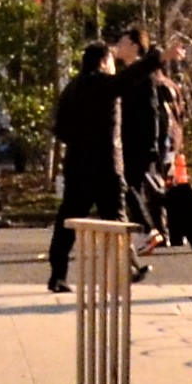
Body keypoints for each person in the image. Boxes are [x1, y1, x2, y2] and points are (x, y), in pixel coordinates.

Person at [48, 39, 129, 294]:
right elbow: (131, 77)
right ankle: (121, 272)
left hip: (77, 163)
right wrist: (156, 58)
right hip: (105, 165)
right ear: (104, 62)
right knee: (115, 220)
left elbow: (59, 127)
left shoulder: (71, 87)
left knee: (68, 221)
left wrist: (77, 141)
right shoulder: (104, 84)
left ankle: (57, 275)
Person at [118, 39, 184, 256]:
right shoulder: (128, 73)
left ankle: (153, 231)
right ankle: (164, 228)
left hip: (143, 143)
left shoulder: (145, 75)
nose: (119, 45)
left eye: (124, 42)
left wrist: (155, 143)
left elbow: (155, 114)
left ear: (136, 47)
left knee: (134, 186)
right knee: (147, 188)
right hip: (133, 142)